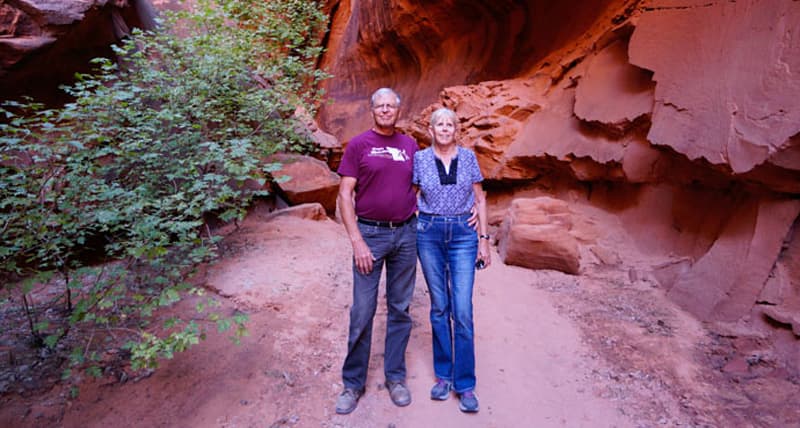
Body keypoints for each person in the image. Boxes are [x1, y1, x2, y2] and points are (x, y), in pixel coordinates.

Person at [335, 88, 419, 415]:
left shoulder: (410, 145)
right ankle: (353, 384)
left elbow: (418, 185)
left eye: (391, 105)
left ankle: (395, 377)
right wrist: (356, 240)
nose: (385, 110)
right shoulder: (359, 145)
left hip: (405, 235)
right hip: (369, 234)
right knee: (363, 310)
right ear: (372, 110)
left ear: (399, 109)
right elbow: (344, 195)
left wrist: (473, 204)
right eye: (380, 105)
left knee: (400, 308)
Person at [413, 107, 490, 413]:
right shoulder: (419, 159)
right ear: (430, 130)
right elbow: (411, 192)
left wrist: (484, 240)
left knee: (462, 308)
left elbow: (480, 197)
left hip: (463, 233)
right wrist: (417, 215)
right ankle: (443, 376)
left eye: (449, 124)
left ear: (456, 129)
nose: (444, 129)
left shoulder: (468, 157)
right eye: (439, 124)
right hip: (429, 233)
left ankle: (465, 383)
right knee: (439, 307)